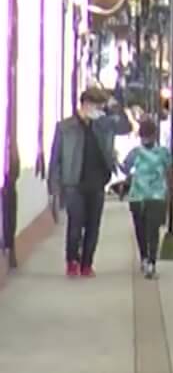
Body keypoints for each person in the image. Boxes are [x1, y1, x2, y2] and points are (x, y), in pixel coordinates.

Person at [49, 87, 126, 278]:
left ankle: (87, 264)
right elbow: (55, 157)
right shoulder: (65, 127)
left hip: (97, 183)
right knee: (75, 224)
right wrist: (54, 185)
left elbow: (125, 127)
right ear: (86, 105)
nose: (100, 111)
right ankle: (72, 261)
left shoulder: (102, 126)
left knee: (93, 226)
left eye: (101, 107)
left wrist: (114, 106)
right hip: (74, 183)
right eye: (97, 107)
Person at [120, 117, 173, 279]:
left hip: (138, 196)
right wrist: (171, 191)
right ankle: (151, 261)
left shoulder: (135, 153)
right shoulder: (163, 153)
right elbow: (170, 172)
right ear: (155, 134)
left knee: (141, 230)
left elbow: (125, 168)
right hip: (157, 196)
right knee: (153, 230)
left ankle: (146, 258)